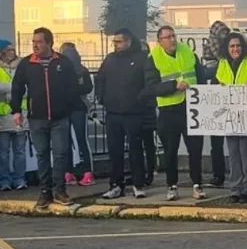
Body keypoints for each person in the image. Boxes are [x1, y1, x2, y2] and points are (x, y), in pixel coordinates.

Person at [10, 28, 79, 208]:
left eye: (39, 42)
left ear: (49, 43)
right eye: (33, 41)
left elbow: (73, 87)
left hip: (60, 118)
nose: (35, 45)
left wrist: (67, 107)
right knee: (42, 156)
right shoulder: (27, 64)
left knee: (60, 154)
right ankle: (45, 192)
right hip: (37, 118)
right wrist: (16, 110)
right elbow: (17, 87)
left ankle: (60, 190)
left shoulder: (63, 62)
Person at [142, 26, 208, 201]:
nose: (172, 40)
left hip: (190, 107)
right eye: (167, 37)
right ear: (160, 41)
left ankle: (197, 184)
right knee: (170, 151)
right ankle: (172, 186)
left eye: (173, 36)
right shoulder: (153, 58)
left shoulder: (187, 52)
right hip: (169, 109)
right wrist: (173, 86)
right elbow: (151, 87)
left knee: (195, 148)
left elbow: (200, 77)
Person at [96, 28, 149, 199]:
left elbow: (147, 82)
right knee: (114, 150)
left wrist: (141, 99)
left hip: (134, 112)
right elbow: (100, 79)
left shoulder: (141, 59)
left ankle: (138, 184)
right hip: (113, 113)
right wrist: (102, 97)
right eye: (114, 42)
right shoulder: (110, 59)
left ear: (128, 41)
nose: (115, 45)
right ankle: (116, 184)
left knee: (135, 149)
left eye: (118, 42)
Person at [212, 32, 247, 204]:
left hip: (245, 113)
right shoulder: (222, 64)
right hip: (228, 115)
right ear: (227, 48)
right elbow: (216, 84)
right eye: (232, 46)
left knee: (245, 152)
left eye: (238, 45)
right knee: (233, 152)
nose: (235, 49)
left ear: (243, 47)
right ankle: (235, 188)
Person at [58, 43, 94, 187]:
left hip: (75, 108)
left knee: (77, 139)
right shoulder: (69, 70)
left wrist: (72, 90)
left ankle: (84, 171)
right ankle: (74, 172)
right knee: (71, 140)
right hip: (70, 108)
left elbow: (87, 87)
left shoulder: (77, 70)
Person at [202, 21, 231, 189]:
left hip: (222, 92)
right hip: (214, 91)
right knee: (217, 141)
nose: (223, 36)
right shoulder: (213, 45)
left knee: (225, 142)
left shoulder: (225, 47)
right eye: (221, 33)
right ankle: (218, 174)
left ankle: (221, 175)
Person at [0, 39, 27, 191]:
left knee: (20, 151)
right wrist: (14, 88)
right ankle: (4, 181)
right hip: (2, 118)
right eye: (8, 50)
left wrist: (8, 91)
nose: (12, 52)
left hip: (20, 116)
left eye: (13, 49)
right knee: (3, 152)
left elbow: (27, 88)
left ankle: (19, 180)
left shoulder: (21, 66)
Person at [139, 41, 158, 186]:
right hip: (147, 105)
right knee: (147, 142)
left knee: (146, 142)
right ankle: (149, 171)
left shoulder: (148, 64)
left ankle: (149, 171)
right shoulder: (149, 62)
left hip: (146, 106)